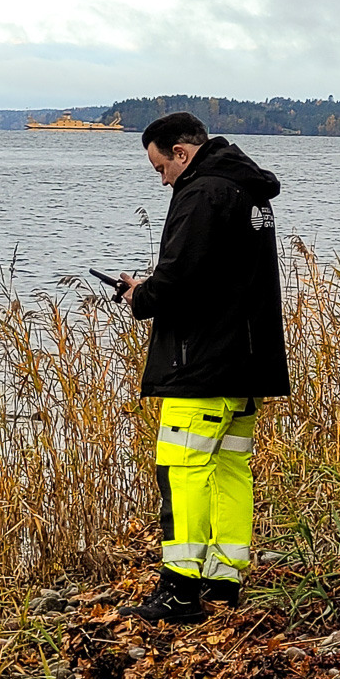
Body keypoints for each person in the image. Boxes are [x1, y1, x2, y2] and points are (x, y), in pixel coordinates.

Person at [117, 112, 289, 624]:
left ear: (182, 154)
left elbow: (180, 278)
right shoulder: (247, 190)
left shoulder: (202, 192)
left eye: (160, 167)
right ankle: (223, 579)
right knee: (232, 467)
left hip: (203, 363)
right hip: (245, 362)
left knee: (183, 469)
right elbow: (220, 273)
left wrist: (139, 293)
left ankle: (179, 590)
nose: (162, 178)